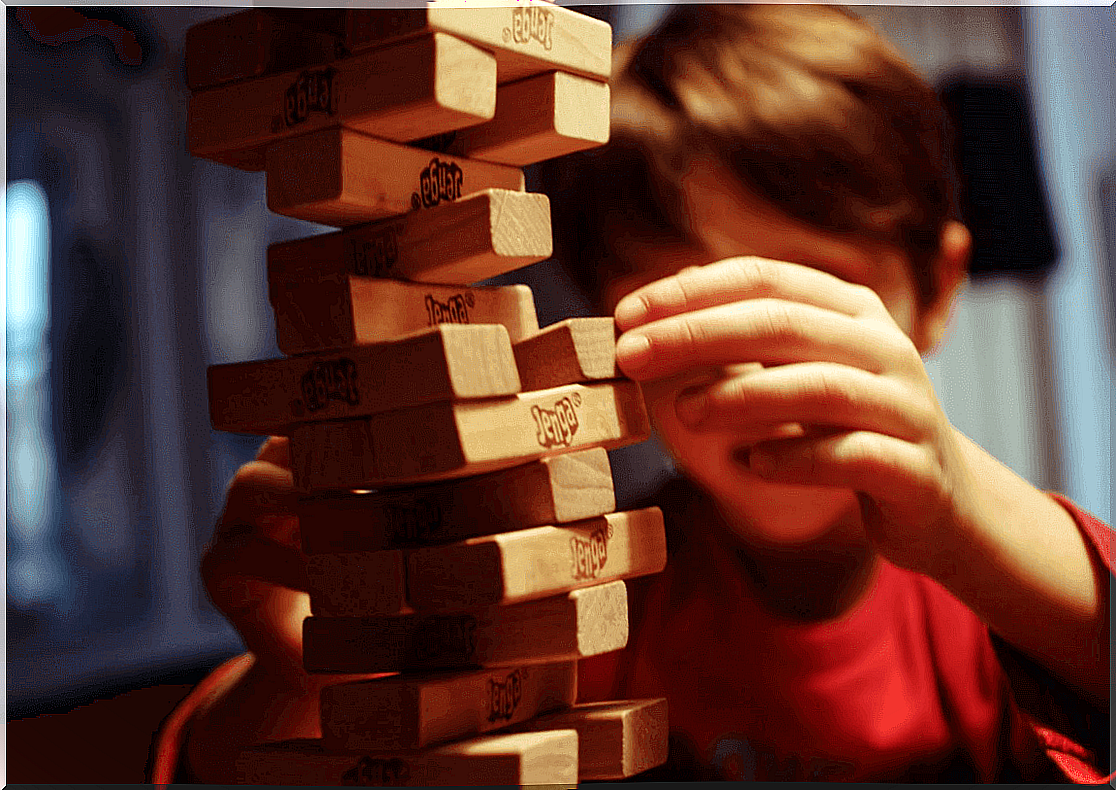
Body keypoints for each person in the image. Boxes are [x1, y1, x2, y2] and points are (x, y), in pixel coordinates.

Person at [152, 5, 1111, 783]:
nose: (750, 378)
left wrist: (965, 510)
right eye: (684, 315)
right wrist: (311, 677)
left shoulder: (1004, 599)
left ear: (936, 290)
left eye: (801, 303)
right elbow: (222, 759)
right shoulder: (581, 597)